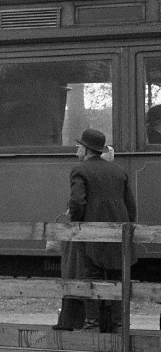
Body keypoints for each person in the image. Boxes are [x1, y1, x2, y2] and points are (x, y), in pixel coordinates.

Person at [53, 128, 136, 332]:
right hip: (118, 232)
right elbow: (131, 206)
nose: (76, 151)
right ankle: (118, 324)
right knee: (116, 277)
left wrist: (77, 225)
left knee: (90, 276)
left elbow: (77, 203)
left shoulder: (80, 170)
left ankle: (92, 322)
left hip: (91, 232)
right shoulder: (119, 171)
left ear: (87, 149)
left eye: (78, 147)